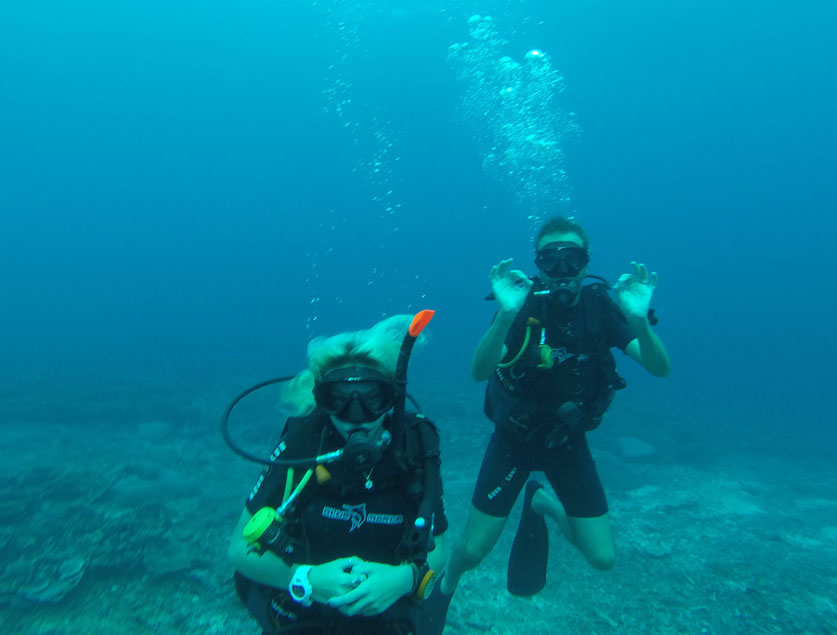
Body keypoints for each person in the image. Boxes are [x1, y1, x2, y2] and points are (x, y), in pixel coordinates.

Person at [440, 216, 671, 601]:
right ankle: (447, 583)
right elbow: (480, 371)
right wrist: (506, 315)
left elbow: (659, 368)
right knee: (474, 551)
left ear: (586, 261)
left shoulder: (601, 308)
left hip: (567, 440)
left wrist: (638, 323)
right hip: (515, 438)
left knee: (602, 558)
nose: (562, 269)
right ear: (538, 265)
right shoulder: (520, 305)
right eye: (551, 259)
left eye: (572, 258)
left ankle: (542, 502)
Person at [226, 314, 448, 635]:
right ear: (322, 401)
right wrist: (305, 578)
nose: (356, 418)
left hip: (385, 608)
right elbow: (238, 550)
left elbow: (437, 547)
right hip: (306, 608)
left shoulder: (415, 443)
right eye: (338, 401)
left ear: (391, 400)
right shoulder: (304, 441)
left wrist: (404, 579)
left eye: (373, 399)